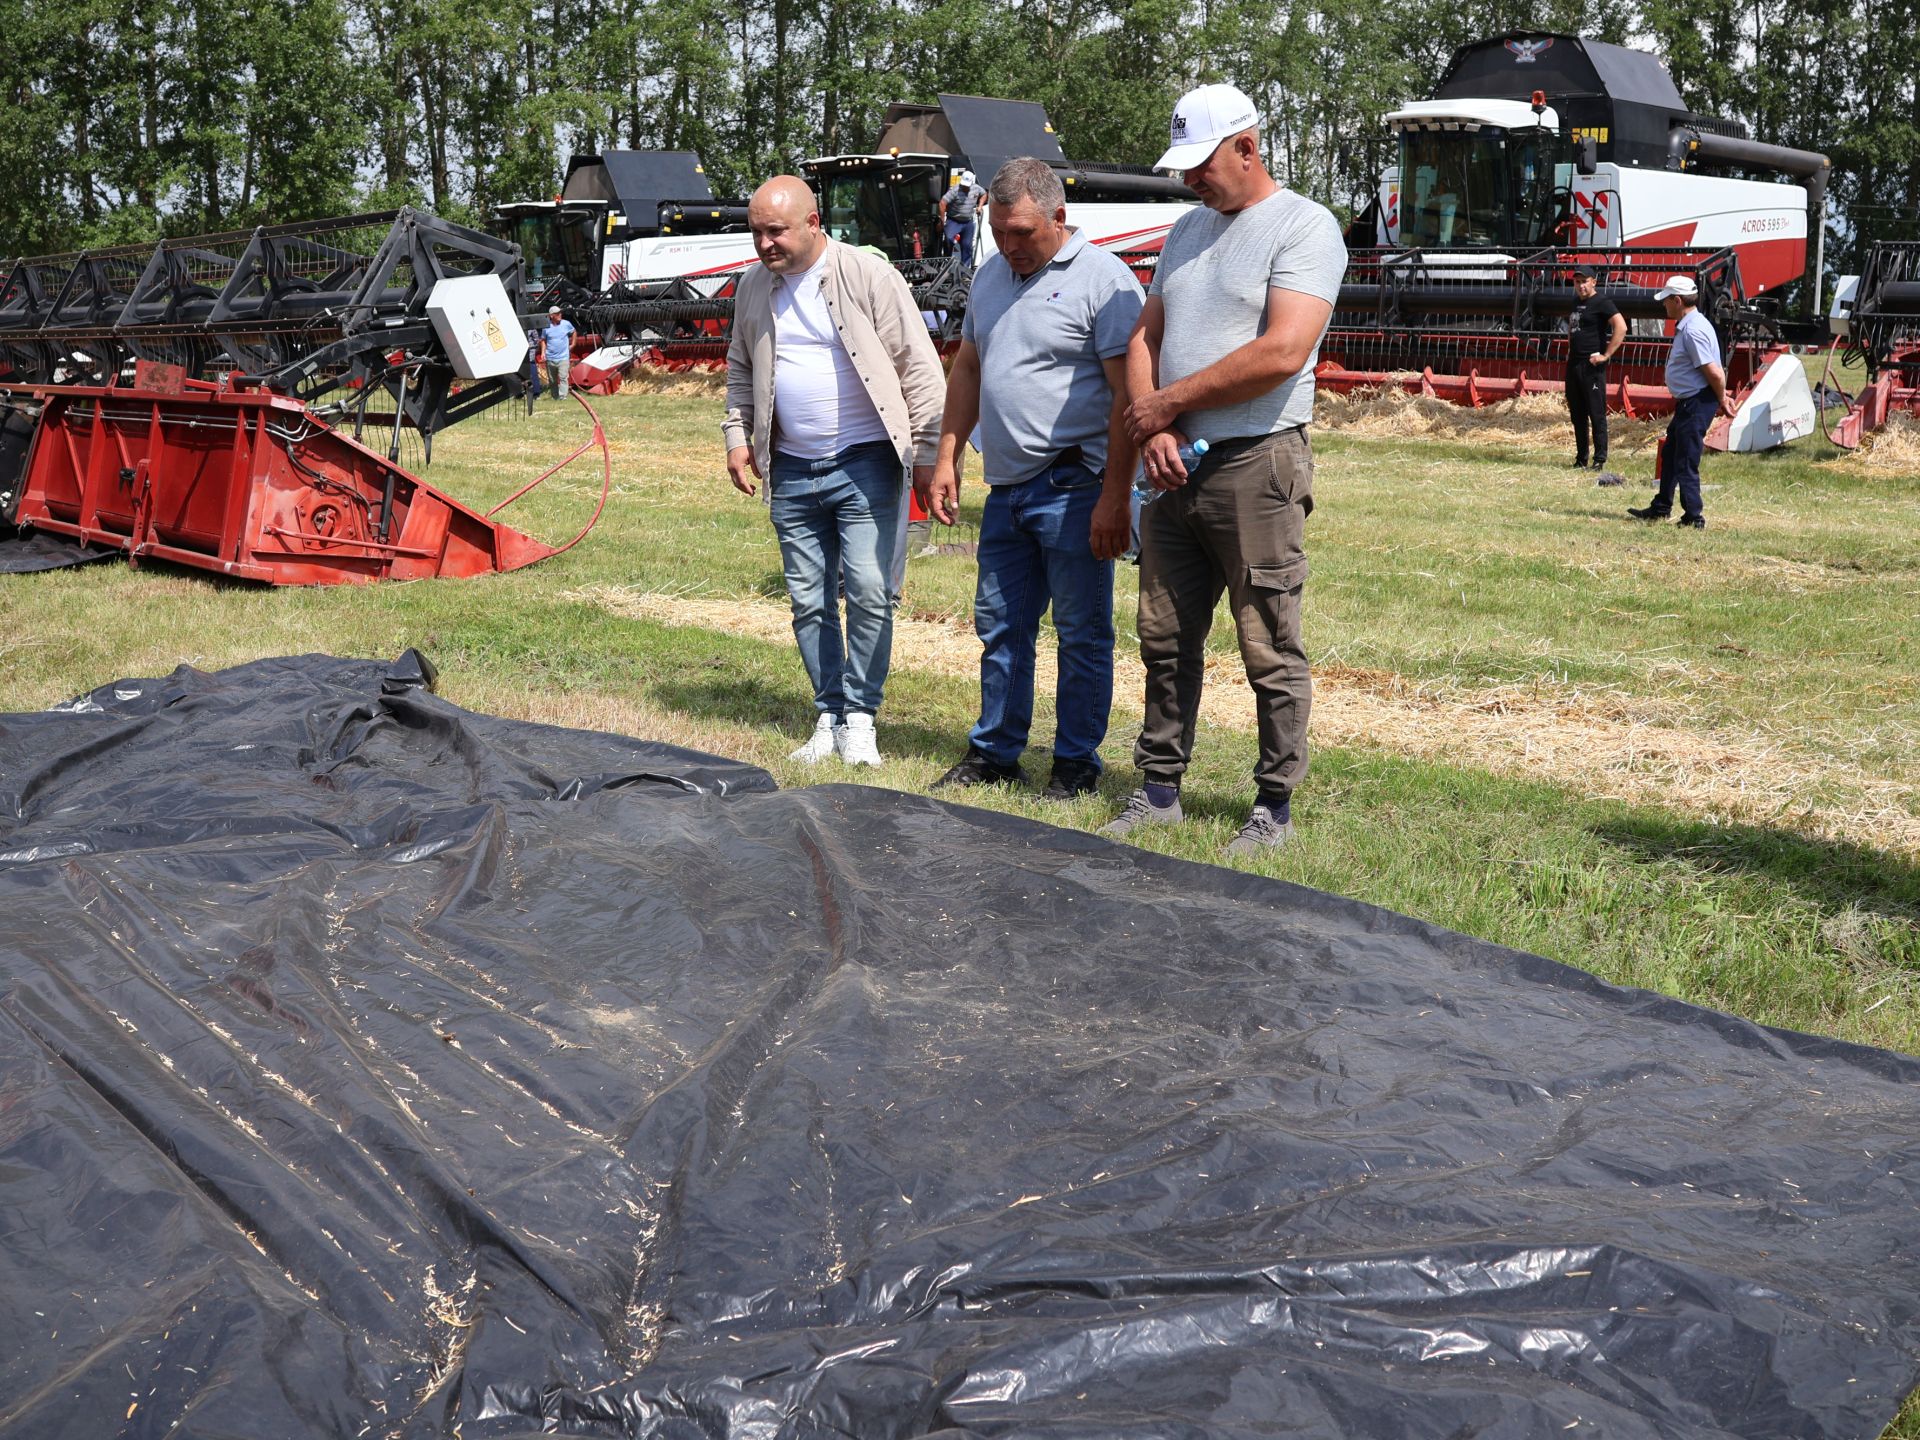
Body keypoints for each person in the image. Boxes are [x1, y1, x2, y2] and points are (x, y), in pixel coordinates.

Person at [1101, 83, 1346, 856]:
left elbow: (1281, 352)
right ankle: (1158, 790)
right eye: (1183, 169)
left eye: (1200, 164)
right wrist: (1153, 427)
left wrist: (1164, 406)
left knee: (1267, 640)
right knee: (1164, 636)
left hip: (1257, 462)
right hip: (1172, 469)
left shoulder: (1305, 227)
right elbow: (1143, 336)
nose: (1189, 181)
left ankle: (1274, 806)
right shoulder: (1185, 232)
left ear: (1248, 147)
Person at [920, 157, 1143, 800]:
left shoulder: (1104, 282)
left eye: (1022, 233)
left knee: (1081, 632)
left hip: (1076, 485)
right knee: (1001, 625)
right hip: (1009, 489)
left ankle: (1075, 763)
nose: (1009, 246)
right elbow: (967, 370)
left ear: (1059, 217)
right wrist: (947, 456)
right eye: (999, 231)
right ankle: (995, 753)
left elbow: (1125, 398)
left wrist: (1114, 497)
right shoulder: (990, 276)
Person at [722, 175, 944, 766]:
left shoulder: (869, 276)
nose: (765, 244)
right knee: (809, 599)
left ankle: (861, 717)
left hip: (867, 460)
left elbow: (918, 367)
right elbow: (740, 367)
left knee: (871, 592)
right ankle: (829, 713)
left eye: (776, 231)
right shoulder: (752, 288)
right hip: (791, 467)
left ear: (814, 223)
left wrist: (927, 455)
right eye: (757, 232)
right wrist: (735, 437)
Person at [1628, 275, 1736, 530]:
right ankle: (1662, 507)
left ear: (1677, 300)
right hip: (1691, 401)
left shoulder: (1693, 330)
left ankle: (1693, 517)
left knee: (1686, 459)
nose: (1664, 305)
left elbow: (1715, 372)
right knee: (1671, 453)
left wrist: (1722, 398)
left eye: (1666, 300)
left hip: (1697, 401)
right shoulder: (1693, 324)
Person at [1565, 264, 1625, 469]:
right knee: (1577, 413)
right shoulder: (1574, 302)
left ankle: (1599, 459)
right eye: (1577, 282)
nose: (1580, 286)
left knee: (1596, 413)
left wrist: (1606, 355)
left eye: (1584, 281)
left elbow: (1621, 326)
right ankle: (1581, 458)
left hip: (1592, 366)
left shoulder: (1602, 302)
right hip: (1574, 364)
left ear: (1593, 282)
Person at [939, 169, 987, 269]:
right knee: (949, 239)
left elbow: (984, 194)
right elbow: (943, 202)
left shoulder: (976, 188)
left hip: (968, 221)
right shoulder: (955, 190)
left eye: (967, 185)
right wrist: (942, 220)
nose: (965, 187)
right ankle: (947, 264)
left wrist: (980, 206)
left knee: (967, 245)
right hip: (954, 220)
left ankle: (965, 269)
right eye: (964, 185)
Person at [540, 305, 575, 401]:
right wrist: (543, 352)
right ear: (551, 316)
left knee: (563, 377)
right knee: (552, 380)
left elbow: (574, 332)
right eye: (557, 313)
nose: (560, 315)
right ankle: (555, 397)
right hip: (550, 357)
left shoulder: (566, 324)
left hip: (563, 357)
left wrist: (573, 344)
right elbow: (543, 340)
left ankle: (563, 396)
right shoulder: (546, 327)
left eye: (560, 313)